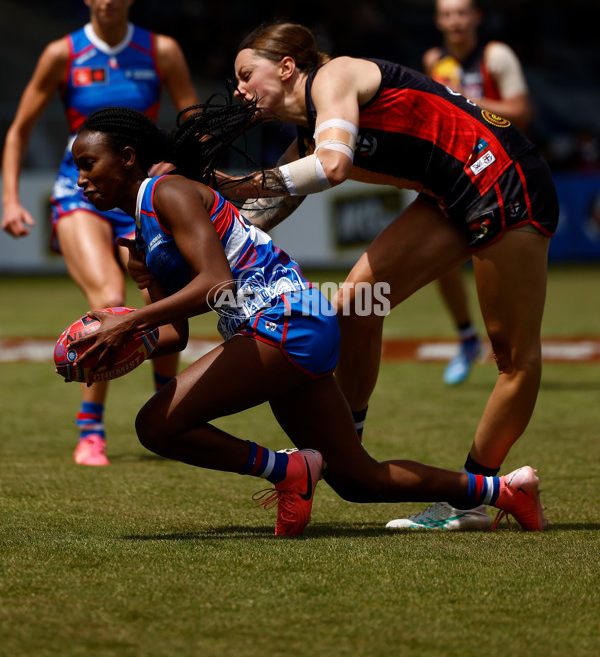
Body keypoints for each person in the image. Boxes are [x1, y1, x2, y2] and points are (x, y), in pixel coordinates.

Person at [64, 104, 546, 537]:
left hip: (286, 320)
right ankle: (503, 491)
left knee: (155, 425)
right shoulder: (139, 242)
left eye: (89, 164)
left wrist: (128, 323)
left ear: (128, 157)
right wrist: (112, 348)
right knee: (359, 479)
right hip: (281, 330)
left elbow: (217, 283)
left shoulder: (168, 192)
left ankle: (288, 471)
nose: (81, 177)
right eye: (77, 167)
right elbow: (175, 334)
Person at [211, 21, 557, 531]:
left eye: (246, 74)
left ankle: (474, 501)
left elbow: (330, 166)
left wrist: (234, 184)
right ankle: (347, 445)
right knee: (355, 306)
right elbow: (264, 207)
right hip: (453, 192)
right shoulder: (308, 128)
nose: (239, 89)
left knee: (514, 358)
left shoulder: (334, 79)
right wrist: (186, 217)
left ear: (286, 68)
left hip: (505, 177)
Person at [1, 0, 199, 465]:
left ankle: (169, 409)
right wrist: (10, 199)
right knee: (111, 297)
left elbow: (192, 129)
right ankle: (91, 432)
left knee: (165, 303)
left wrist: (184, 176)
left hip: (141, 200)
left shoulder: (162, 50)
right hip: (79, 195)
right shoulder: (61, 54)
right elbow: (18, 130)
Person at [423, 0, 533, 386]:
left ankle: (511, 356)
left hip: (500, 179)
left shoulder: (495, 56)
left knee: (503, 279)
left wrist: (461, 100)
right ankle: (467, 337)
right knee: (433, 262)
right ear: (438, 21)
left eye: (462, 13)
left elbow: (521, 112)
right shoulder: (434, 60)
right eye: (447, 14)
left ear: (476, 17)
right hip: (451, 178)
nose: (454, 21)